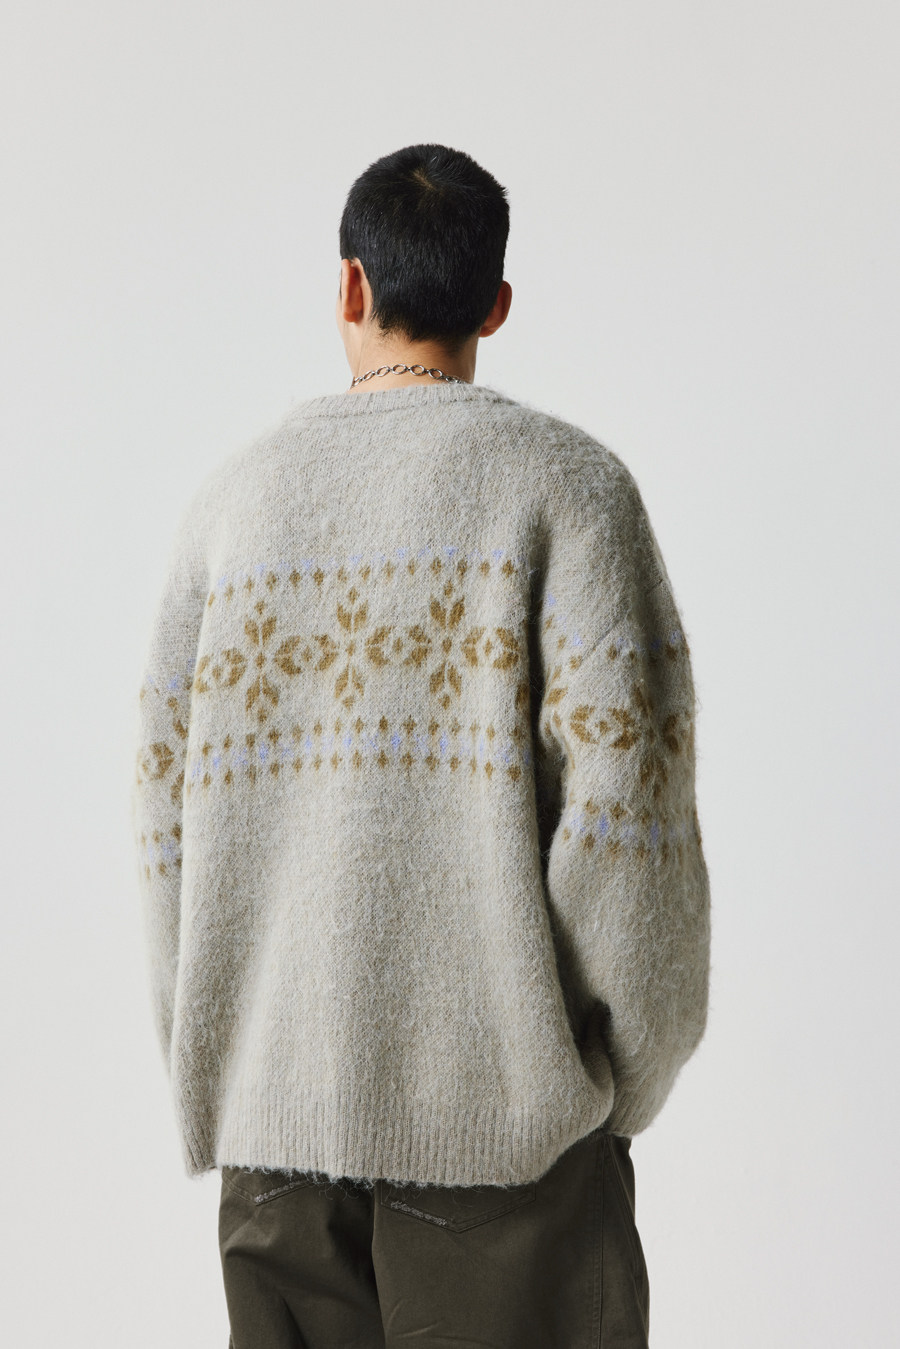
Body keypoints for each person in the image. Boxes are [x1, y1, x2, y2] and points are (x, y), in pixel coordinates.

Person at [131, 142, 712, 1349]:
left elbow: (163, 821)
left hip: (273, 1150)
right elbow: (629, 828)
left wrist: (231, 1060)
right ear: (495, 304)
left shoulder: (228, 513)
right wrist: (614, 1086)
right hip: (509, 1149)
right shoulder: (571, 491)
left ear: (349, 286)